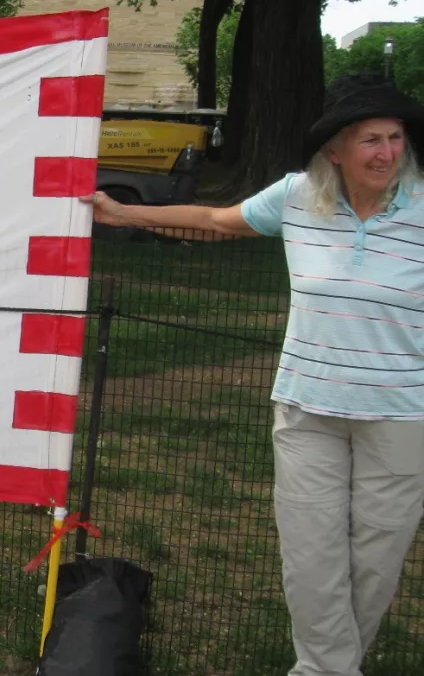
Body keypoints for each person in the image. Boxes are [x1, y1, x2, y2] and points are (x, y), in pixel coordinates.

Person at [81, 73, 424, 676]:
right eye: (371, 139)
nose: (387, 153)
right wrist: (123, 211)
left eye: (395, 137)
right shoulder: (296, 197)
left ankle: (326, 666)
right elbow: (215, 221)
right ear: (334, 150)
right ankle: (326, 669)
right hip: (306, 408)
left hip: (400, 415)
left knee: (376, 559)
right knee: (312, 556)